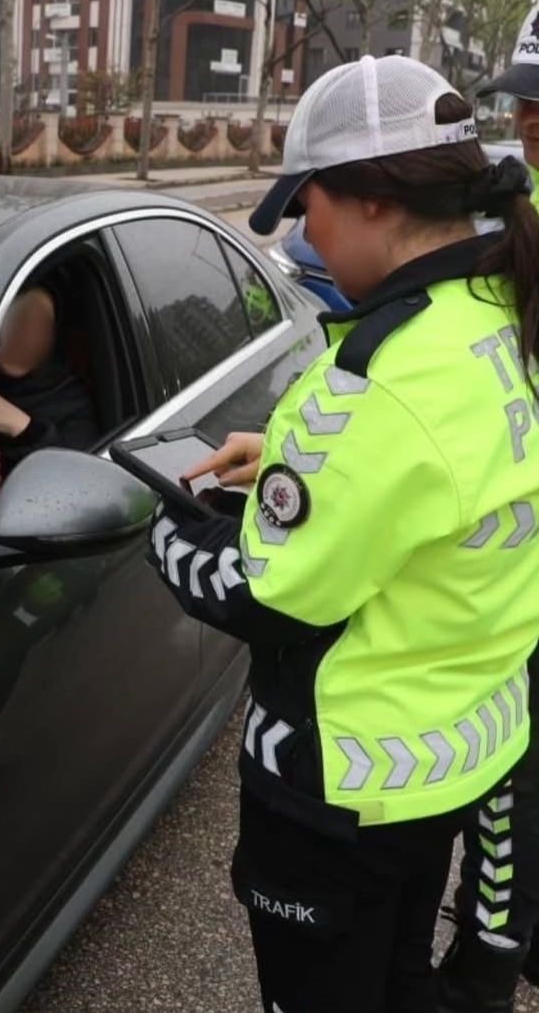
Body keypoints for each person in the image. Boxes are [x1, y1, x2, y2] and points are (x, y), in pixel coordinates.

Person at [145, 55, 539, 1013]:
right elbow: (419, 496)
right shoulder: (495, 313)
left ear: (368, 201)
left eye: (306, 203)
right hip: (444, 767)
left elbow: (265, 589)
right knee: (398, 982)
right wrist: (283, 449)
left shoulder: (378, 381)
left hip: (338, 799)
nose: (302, 232)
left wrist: (164, 517)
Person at [430, 0, 539, 1013]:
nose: (533, 121)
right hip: (514, 554)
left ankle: (497, 949)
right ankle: (492, 947)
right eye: (526, 103)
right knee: (509, 770)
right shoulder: (509, 211)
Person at [0, 285, 98, 493]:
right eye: (18, 320)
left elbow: (77, 486)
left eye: (40, 324)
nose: (26, 335)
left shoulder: (73, 403)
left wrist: (23, 428)